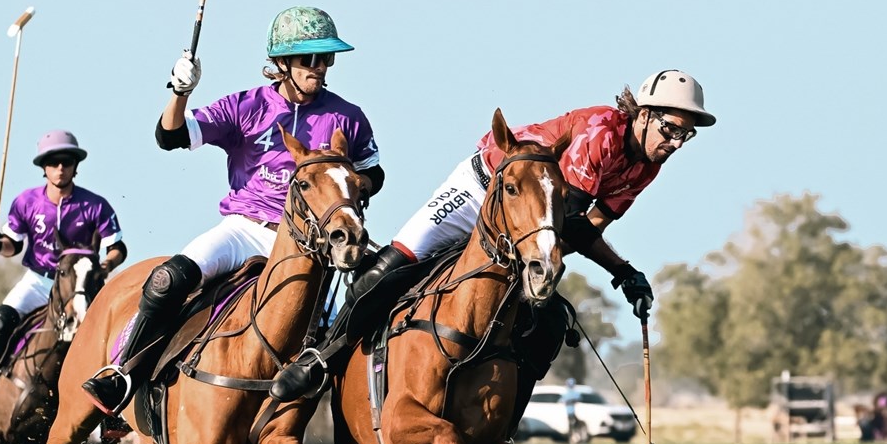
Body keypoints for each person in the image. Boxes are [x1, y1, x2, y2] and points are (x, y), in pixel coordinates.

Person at [270, 68, 716, 402]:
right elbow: (574, 221)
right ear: (643, 115)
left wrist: (618, 270)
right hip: (480, 189)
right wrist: (620, 269)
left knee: (548, 324)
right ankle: (322, 357)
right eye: (671, 129)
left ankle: (499, 436)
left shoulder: (647, 167)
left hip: (525, 226)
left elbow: (589, 229)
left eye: (686, 136)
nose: (676, 142)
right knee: (396, 264)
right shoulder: (601, 133)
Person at [82, 6, 384, 415]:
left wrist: (342, 188)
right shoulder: (245, 106)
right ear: (281, 63)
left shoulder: (347, 116)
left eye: (326, 58)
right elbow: (170, 136)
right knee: (167, 281)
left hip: (314, 242)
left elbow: (373, 175)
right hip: (245, 230)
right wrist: (179, 90)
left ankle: (371, 413)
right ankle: (123, 373)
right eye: (309, 58)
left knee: (378, 296)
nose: (320, 67)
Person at [0, 129, 127, 415]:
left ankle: (114, 407)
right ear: (43, 167)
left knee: (111, 336)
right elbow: (12, 245)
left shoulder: (95, 205)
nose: (60, 168)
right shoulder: (27, 202)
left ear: (76, 165)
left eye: (66, 161)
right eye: (53, 162)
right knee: (0, 322)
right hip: (39, 281)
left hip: (82, 285)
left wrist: (104, 266)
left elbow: (117, 247)